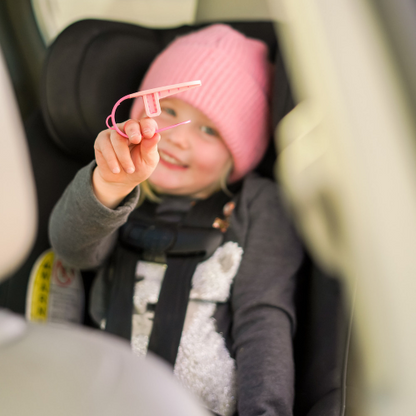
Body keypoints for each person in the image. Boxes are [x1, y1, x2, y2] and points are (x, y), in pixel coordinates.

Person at [49, 24, 303, 416]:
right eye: (167, 111)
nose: (178, 137)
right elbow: (71, 249)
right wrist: (108, 186)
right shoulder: (119, 185)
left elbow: (263, 318)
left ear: (240, 152)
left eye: (208, 130)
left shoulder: (257, 205)